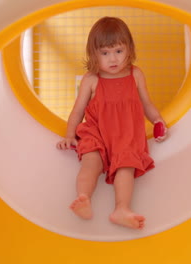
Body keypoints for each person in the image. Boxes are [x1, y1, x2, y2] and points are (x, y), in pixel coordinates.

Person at [56, 16, 168, 230]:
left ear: (129, 49)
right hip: (96, 132)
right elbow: (77, 111)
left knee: (127, 165)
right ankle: (83, 198)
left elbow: (147, 103)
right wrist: (70, 135)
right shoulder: (91, 79)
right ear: (94, 55)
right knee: (91, 162)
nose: (113, 59)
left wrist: (157, 120)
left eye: (118, 51)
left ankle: (121, 209)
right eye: (105, 53)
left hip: (126, 135)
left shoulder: (135, 74)